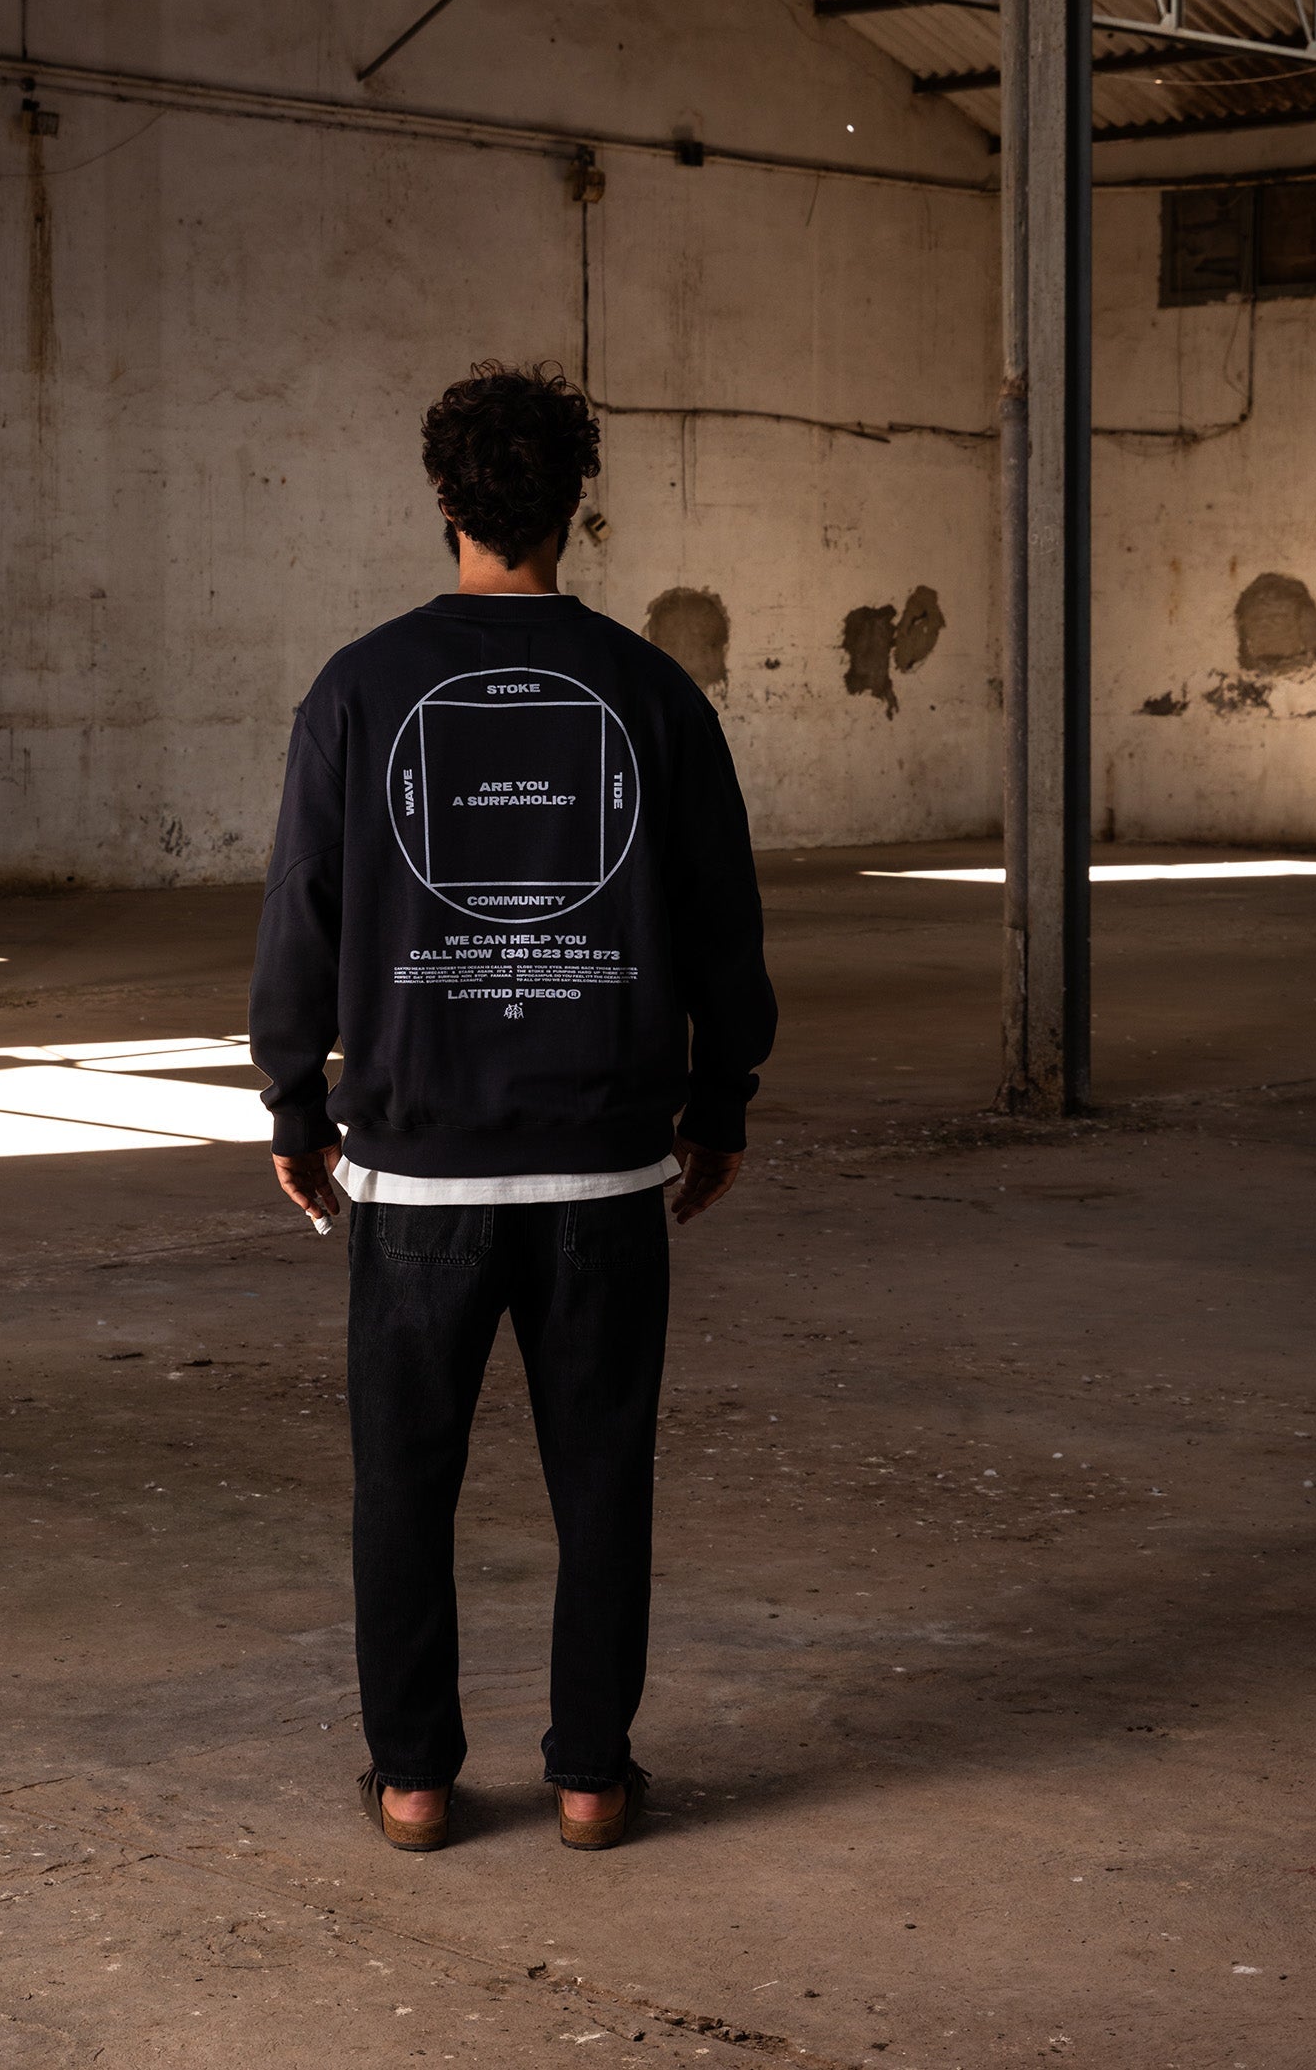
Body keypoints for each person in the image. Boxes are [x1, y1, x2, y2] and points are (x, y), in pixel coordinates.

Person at [248, 362, 776, 1853]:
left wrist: (295, 1106)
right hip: (602, 1169)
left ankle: (416, 1782)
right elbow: (722, 924)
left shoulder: (360, 689)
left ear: (444, 499)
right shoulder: (652, 692)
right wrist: (718, 1099)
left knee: (403, 1484)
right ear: (575, 504)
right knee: (601, 1480)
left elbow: (302, 912)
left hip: (419, 1173)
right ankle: (591, 1778)